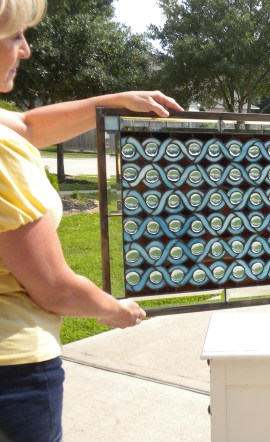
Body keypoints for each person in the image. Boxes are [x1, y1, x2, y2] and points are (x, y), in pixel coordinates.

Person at [0, 0, 184, 440]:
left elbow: (28, 125)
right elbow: (54, 288)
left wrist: (116, 101)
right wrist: (114, 310)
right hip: (13, 376)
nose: (25, 49)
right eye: (14, 35)